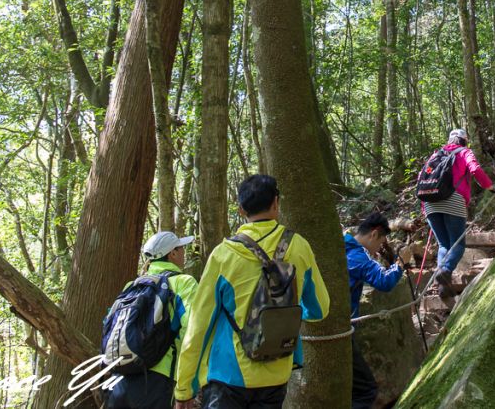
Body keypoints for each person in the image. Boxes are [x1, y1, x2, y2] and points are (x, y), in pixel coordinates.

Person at [173, 175, 330, 409]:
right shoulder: (299, 246)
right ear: (276, 203)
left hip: (228, 374)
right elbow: (320, 309)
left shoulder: (224, 254)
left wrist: (184, 388)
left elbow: (199, 326)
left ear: (241, 209)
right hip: (277, 375)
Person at [104, 231, 199, 409]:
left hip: (118, 380)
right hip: (158, 381)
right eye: (181, 248)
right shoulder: (184, 283)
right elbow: (193, 332)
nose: (183, 253)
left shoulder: (131, 286)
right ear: (173, 253)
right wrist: (189, 385)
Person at [422, 128, 495, 298]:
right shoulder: (464, 152)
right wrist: (490, 187)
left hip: (430, 203)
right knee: (458, 245)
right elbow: (475, 170)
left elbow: (423, 178)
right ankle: (446, 270)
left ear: (450, 140)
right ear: (464, 141)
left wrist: (425, 208)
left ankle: (443, 287)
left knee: (444, 245)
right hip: (453, 200)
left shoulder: (436, 155)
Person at [344, 212, 404, 409]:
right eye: (380, 243)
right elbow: (384, 282)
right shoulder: (358, 256)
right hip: (341, 330)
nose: (378, 249)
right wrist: (401, 264)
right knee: (366, 389)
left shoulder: (340, 244)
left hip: (323, 324)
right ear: (374, 234)